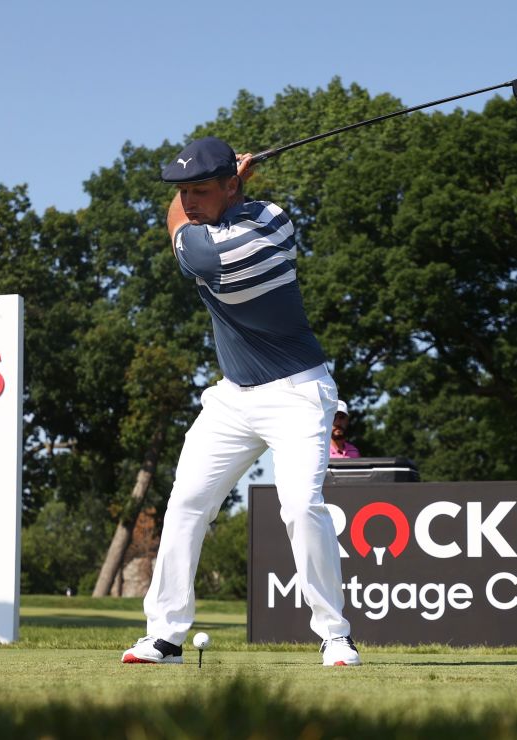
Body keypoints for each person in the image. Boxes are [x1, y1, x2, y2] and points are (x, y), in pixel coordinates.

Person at [121, 137, 360, 667]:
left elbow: (178, 231)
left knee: (301, 506)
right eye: (181, 191)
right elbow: (194, 211)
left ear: (233, 184)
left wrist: (228, 182)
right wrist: (226, 182)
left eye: (199, 190)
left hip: (297, 392)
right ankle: (165, 636)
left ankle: (335, 634)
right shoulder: (270, 213)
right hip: (233, 396)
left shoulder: (235, 248)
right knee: (186, 504)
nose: (187, 201)